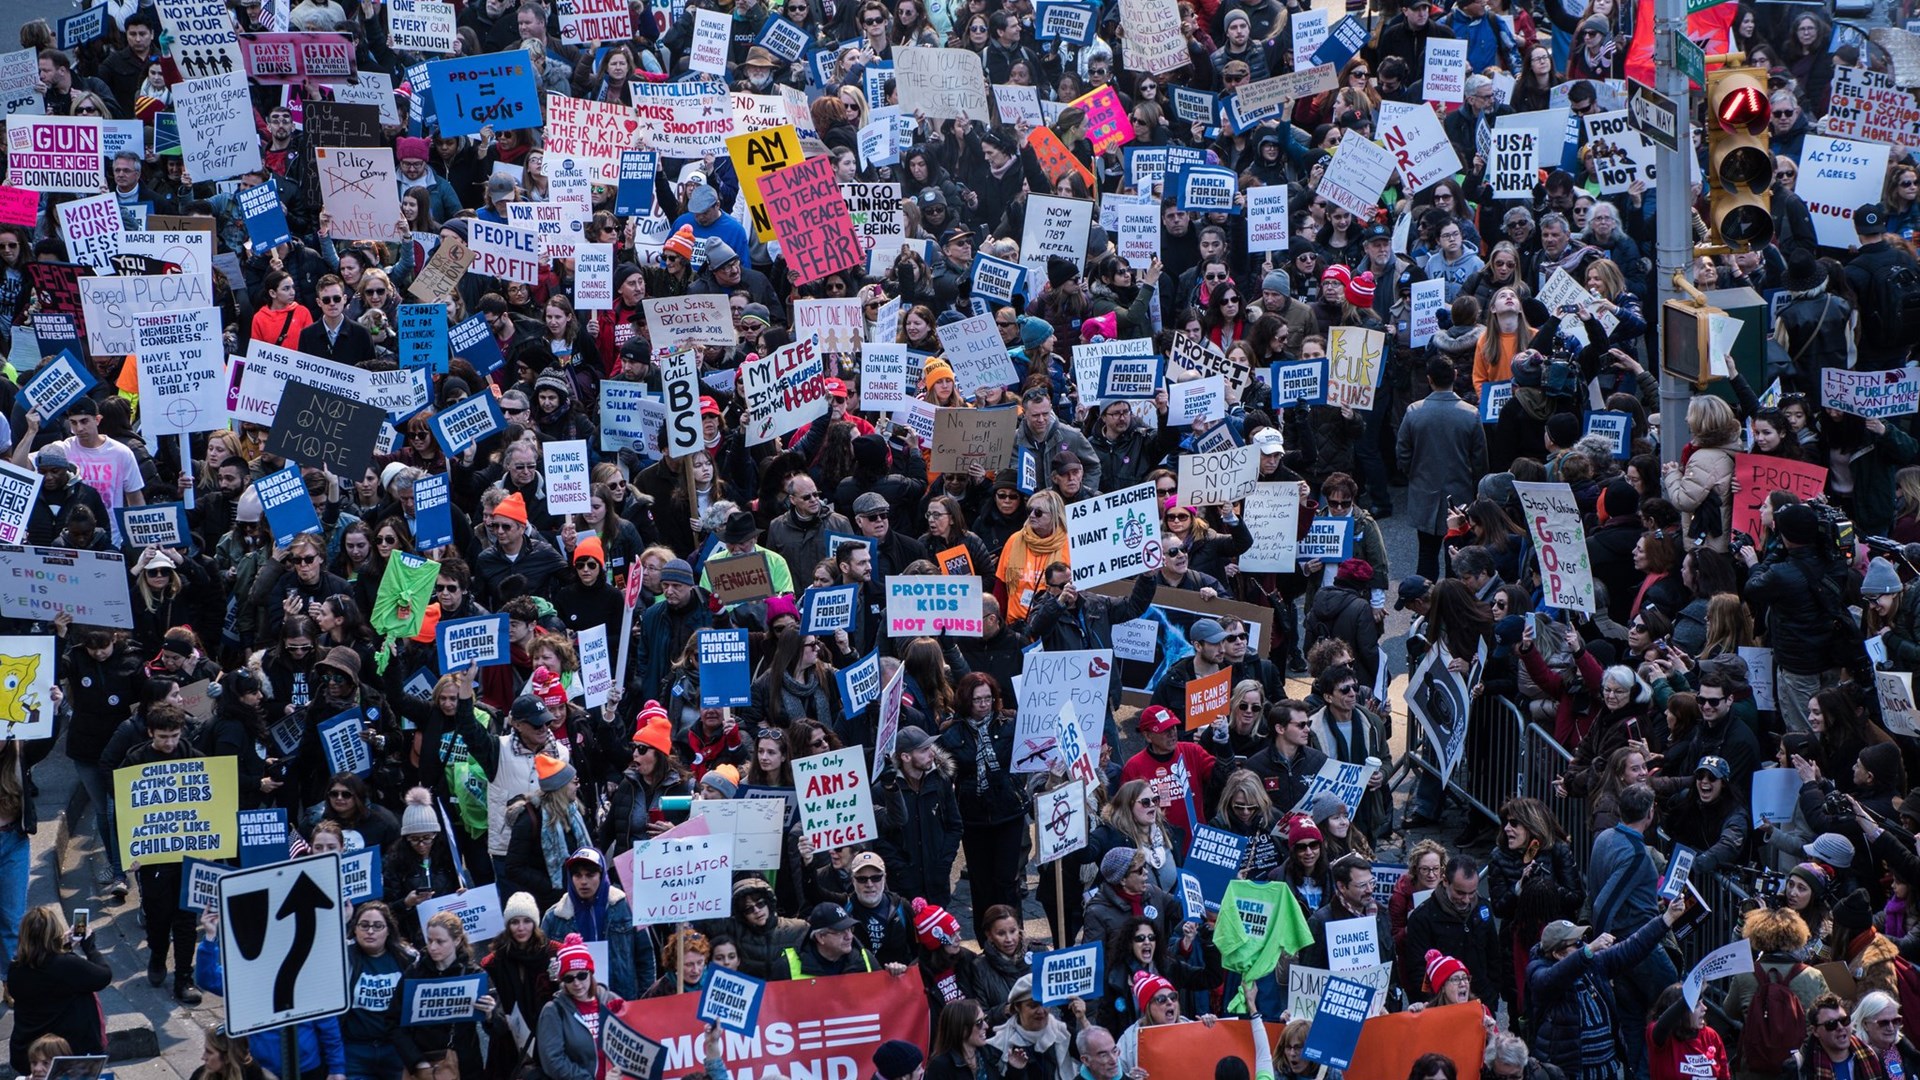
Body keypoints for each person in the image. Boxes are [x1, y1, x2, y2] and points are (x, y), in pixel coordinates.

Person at [1398, 358, 1489, 579]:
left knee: (1426, 554)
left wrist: (1414, 475)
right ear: (1455, 375)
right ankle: (1454, 605)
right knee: (1456, 557)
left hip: (1424, 494)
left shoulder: (1413, 412)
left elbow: (1402, 455)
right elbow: (1480, 462)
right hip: (1460, 498)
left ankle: (1424, 605)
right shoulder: (1470, 414)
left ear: (1429, 380)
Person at [7, 907, 109, 1074]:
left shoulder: (16, 969)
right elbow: (104, 976)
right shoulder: (66, 966)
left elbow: (48, 973)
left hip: (27, 1055)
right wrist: (90, 947)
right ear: (55, 933)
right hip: (66, 1056)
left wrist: (65, 948)